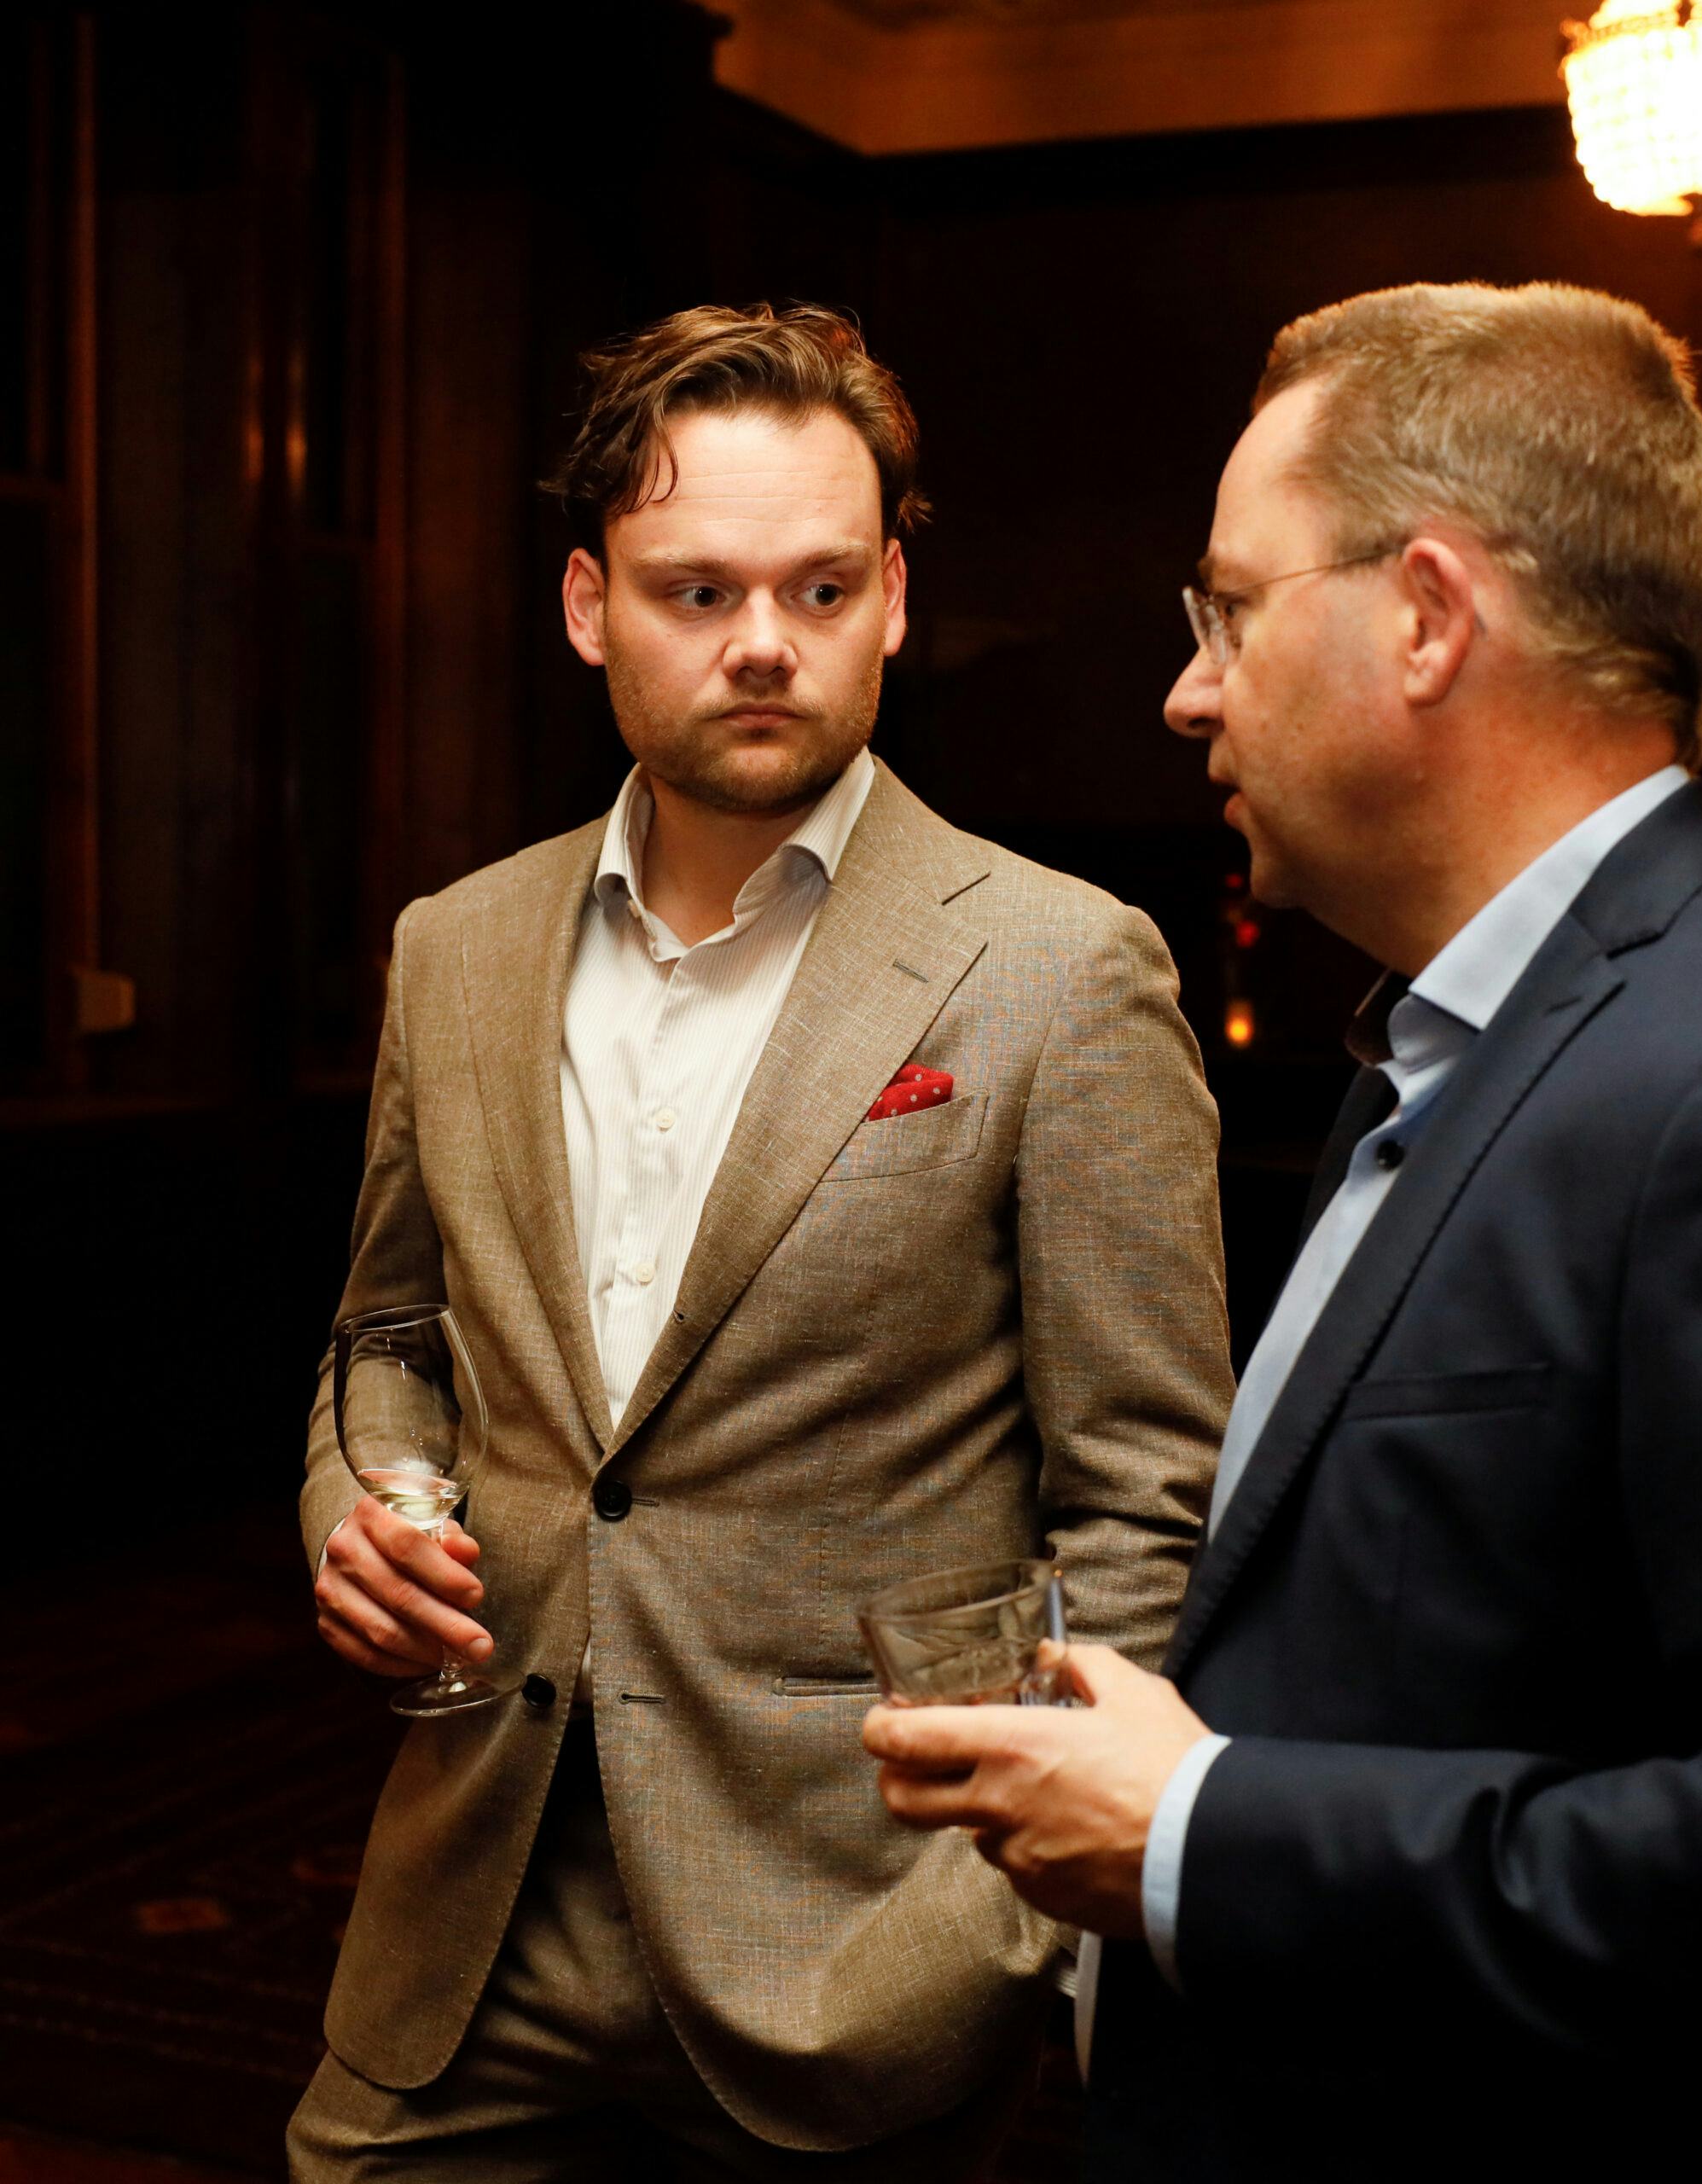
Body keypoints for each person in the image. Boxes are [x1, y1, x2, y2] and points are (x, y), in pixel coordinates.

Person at [863, 282, 1702, 2181]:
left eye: (1229, 609)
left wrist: (1200, 1830)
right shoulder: (1450, 1048)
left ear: (1427, 616)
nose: (1187, 689)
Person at [288, 302, 1232, 2180]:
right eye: (696, 590)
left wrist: (992, 1934)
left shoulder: (1061, 968)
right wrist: (351, 1512)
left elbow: (1148, 1502)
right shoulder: (453, 947)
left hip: (855, 1955)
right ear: (588, 605)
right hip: (470, 1909)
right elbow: (385, 1336)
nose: (762, 644)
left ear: (893, 598)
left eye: (819, 588)